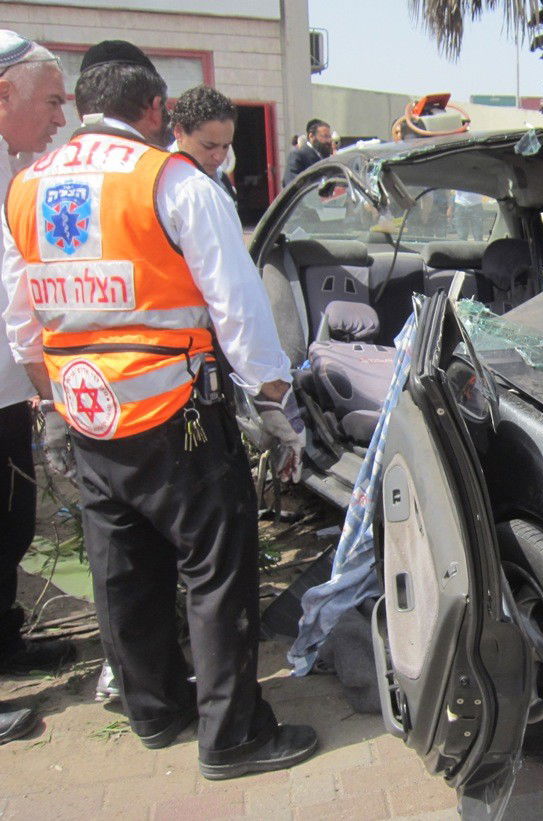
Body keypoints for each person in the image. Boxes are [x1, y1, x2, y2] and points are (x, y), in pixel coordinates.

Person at [1, 40, 317, 778]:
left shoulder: (28, 185)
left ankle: (153, 710)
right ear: (155, 109)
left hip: (88, 415)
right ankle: (232, 736)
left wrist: (49, 405)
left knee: (122, 566)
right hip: (178, 417)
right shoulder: (170, 181)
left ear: (82, 105)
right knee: (215, 568)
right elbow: (237, 309)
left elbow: (21, 318)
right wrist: (274, 400)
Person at [0, 30, 73, 745]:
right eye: (52, 102)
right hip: (15, 376)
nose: (59, 118)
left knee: (12, 524)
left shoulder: (16, 167)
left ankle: (6, 644)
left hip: (7, 389)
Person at [171, 85, 237, 201]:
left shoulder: (222, 181)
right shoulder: (160, 183)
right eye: (209, 146)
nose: (219, 157)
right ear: (179, 132)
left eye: (225, 146)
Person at [282, 118, 332, 185]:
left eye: (329, 137)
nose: (329, 141)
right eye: (325, 136)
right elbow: (291, 183)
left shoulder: (324, 156)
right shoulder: (297, 155)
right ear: (311, 136)